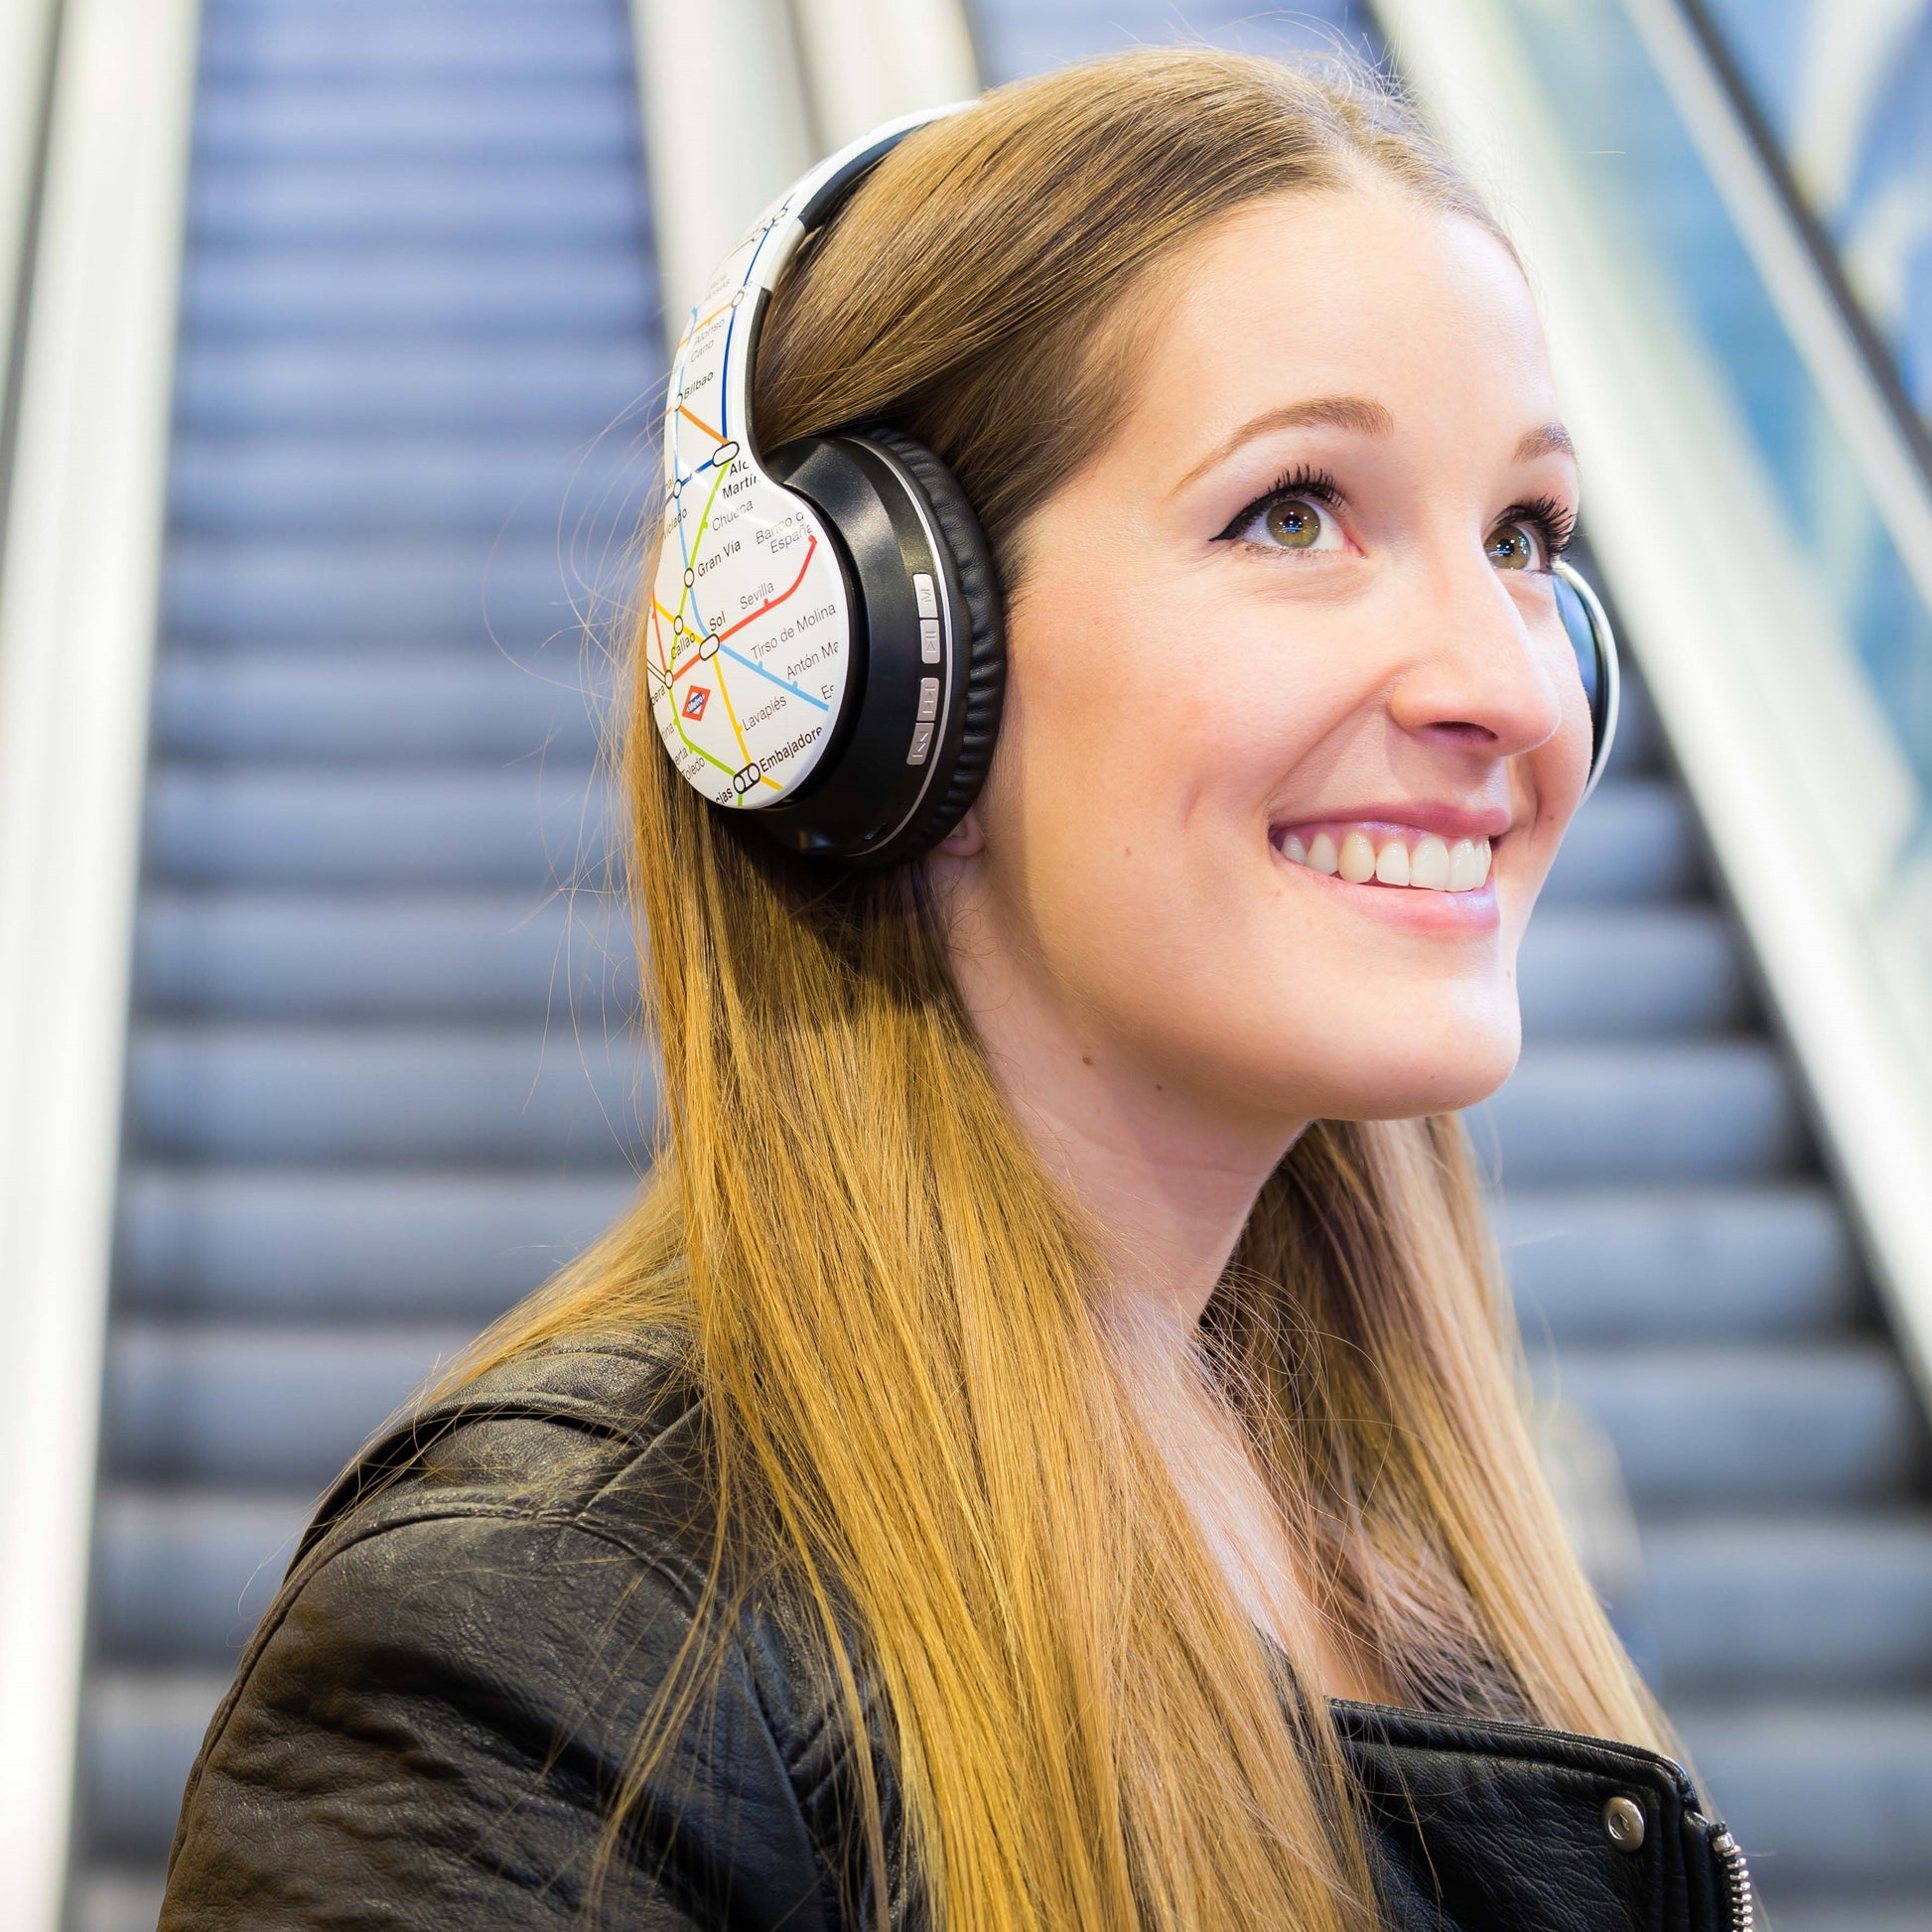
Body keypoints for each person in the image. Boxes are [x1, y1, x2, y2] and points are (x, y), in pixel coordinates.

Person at [159, 46, 1750, 1932]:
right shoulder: (544, 1657)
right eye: (1295, 513)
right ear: (872, 662)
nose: (1506, 682)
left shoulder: (1446, 1560)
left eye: (1521, 538)